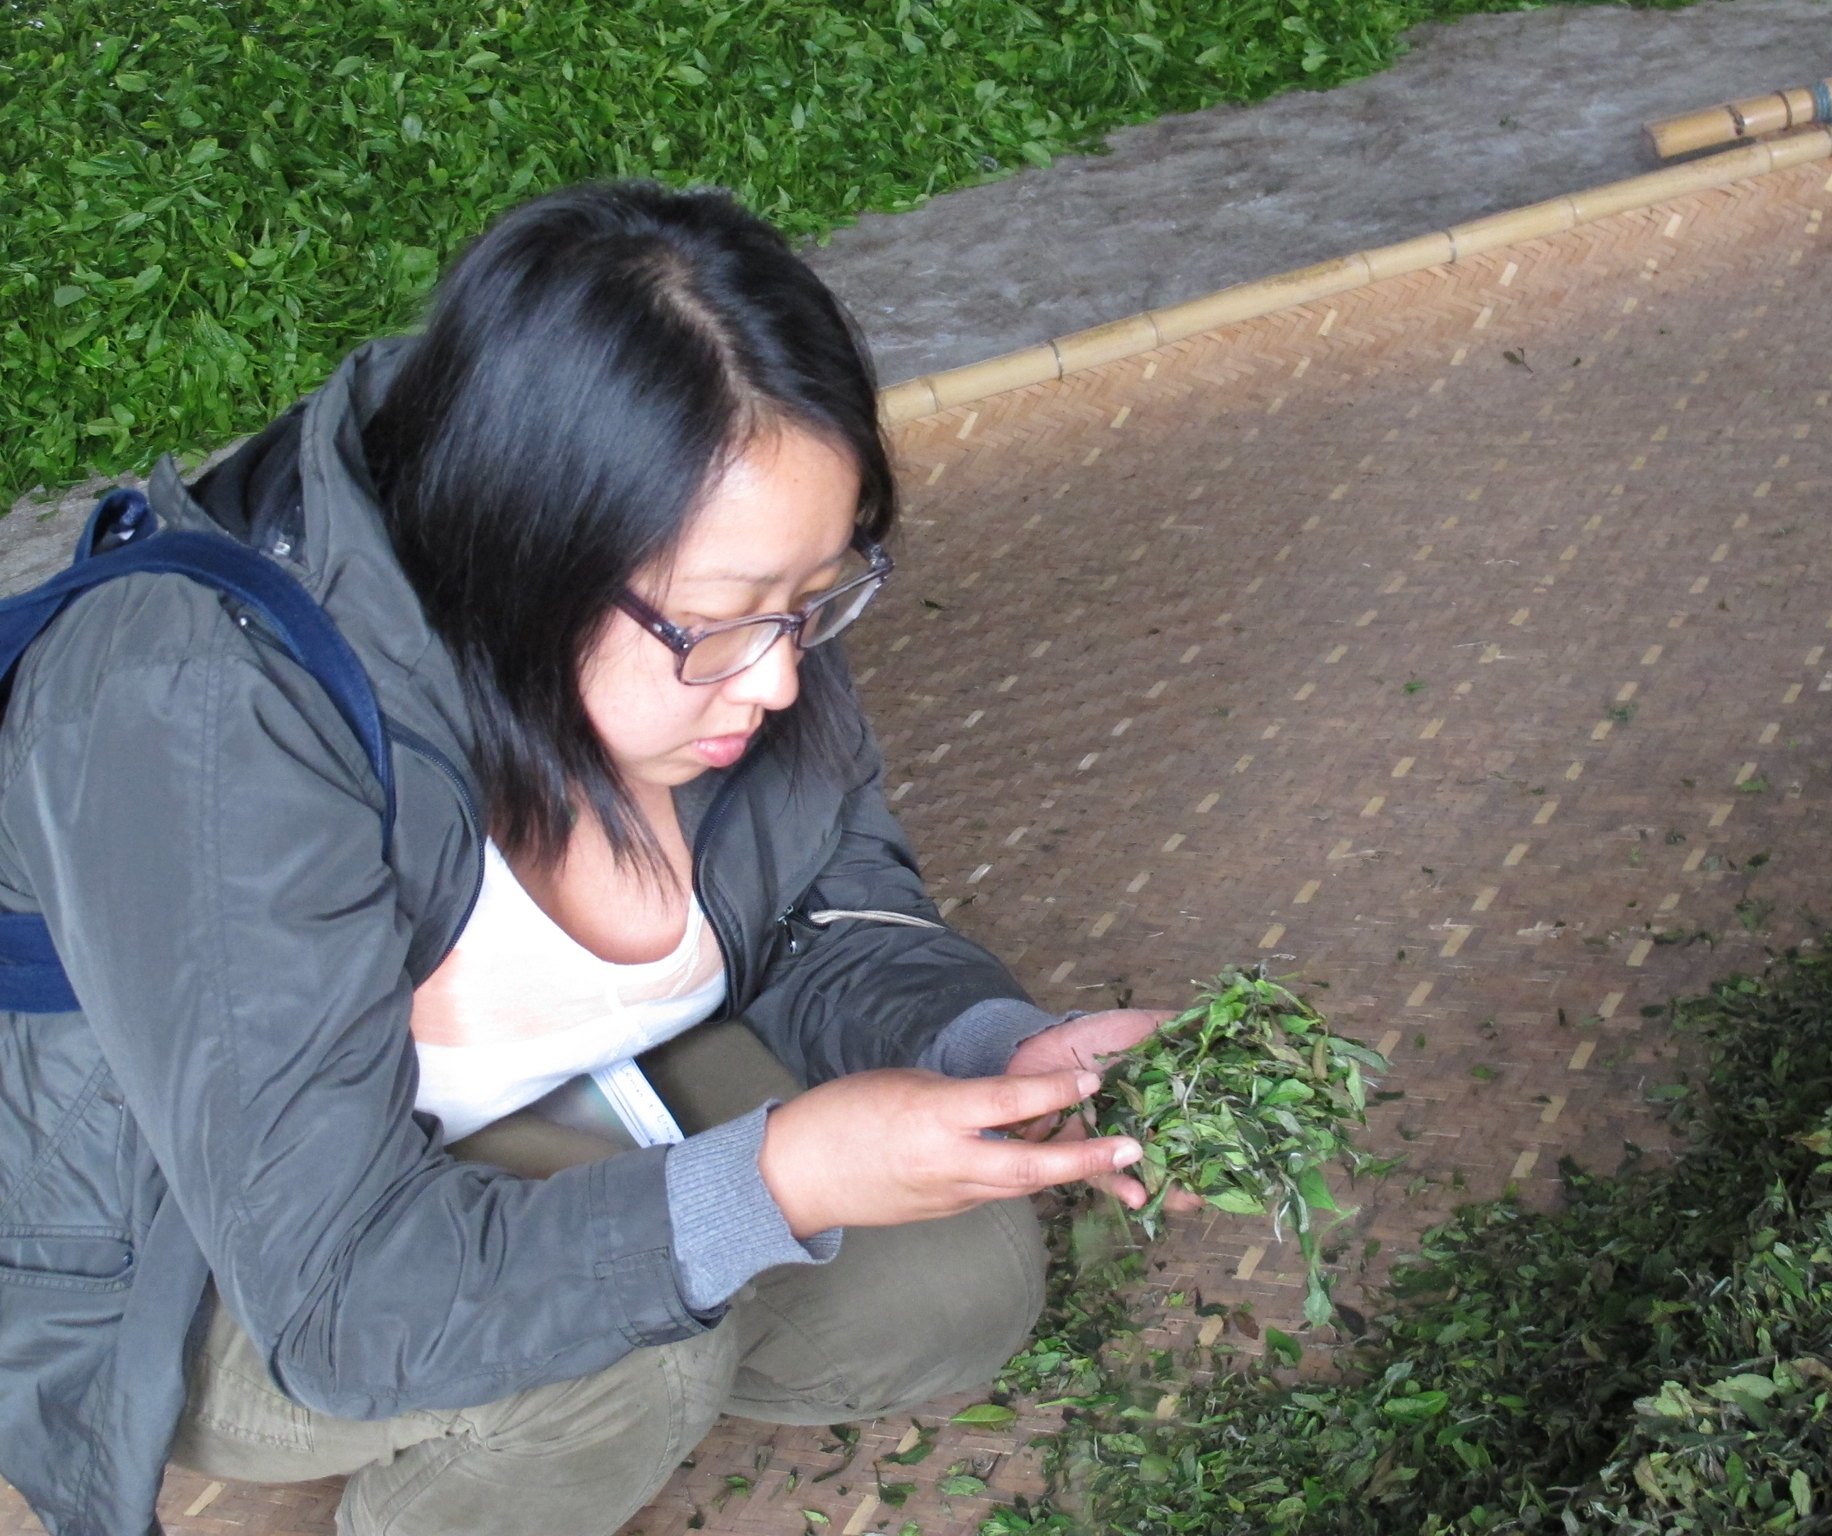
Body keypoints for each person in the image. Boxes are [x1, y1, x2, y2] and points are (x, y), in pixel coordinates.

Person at [0, 181, 1189, 1536]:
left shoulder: (733, 573)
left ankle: (554, 1363)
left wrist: (983, 1041)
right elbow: (336, 1298)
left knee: (954, 1271)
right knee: (624, 1359)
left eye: (818, 599)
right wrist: (773, 1182)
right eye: (723, 624)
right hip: (186, 1242)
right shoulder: (207, 711)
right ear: (530, 558)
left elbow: (825, 908)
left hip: (473, 1109)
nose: (785, 682)